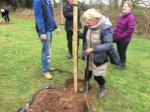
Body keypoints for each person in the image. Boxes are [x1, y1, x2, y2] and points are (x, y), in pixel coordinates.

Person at [82, 8, 113, 97]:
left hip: (99, 56)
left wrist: (93, 49)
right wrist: (78, 34)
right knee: (87, 72)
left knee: (97, 75)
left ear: (94, 19)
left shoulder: (105, 28)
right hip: (89, 55)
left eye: (88, 22)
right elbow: (87, 38)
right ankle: (86, 86)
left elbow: (108, 45)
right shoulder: (90, 26)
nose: (87, 24)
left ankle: (102, 87)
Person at [33, 0, 60, 80]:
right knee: (46, 51)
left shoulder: (48, 1)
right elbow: (39, 17)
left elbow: (51, 16)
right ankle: (45, 71)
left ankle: (47, 66)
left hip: (49, 29)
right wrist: (42, 32)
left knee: (48, 50)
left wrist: (55, 27)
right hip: (45, 31)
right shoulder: (38, 1)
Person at [113, 1, 135, 69]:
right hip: (118, 37)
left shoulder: (131, 17)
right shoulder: (122, 16)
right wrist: (115, 31)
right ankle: (119, 62)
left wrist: (121, 36)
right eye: (123, 6)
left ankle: (123, 64)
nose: (124, 7)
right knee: (119, 50)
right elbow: (118, 26)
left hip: (124, 39)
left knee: (122, 51)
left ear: (130, 8)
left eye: (126, 6)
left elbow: (130, 30)